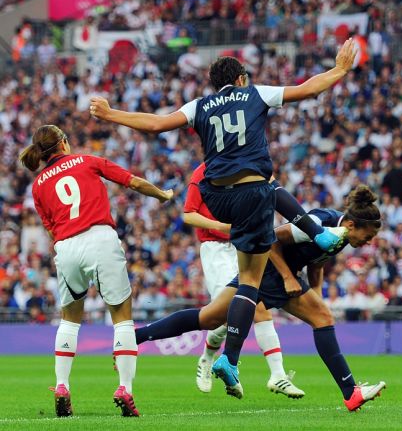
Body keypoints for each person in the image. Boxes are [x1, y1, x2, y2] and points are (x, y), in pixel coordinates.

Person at [88, 39, 358, 396]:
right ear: (242, 78)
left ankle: (184, 347)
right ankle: (315, 236)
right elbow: (307, 89)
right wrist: (339, 69)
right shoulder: (256, 94)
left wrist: (110, 114)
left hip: (217, 196)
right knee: (255, 251)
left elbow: (155, 124)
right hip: (252, 194)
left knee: (219, 307)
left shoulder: (199, 105)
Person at [135, 186, 387, 410]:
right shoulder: (321, 221)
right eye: (368, 237)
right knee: (322, 318)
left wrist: (317, 294)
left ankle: (133, 337)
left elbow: (317, 262)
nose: (367, 243)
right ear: (352, 225)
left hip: (271, 273)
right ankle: (350, 392)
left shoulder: (343, 236)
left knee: (209, 318)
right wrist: (288, 277)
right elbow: (273, 238)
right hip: (271, 271)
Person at [19, 125, 173, 417]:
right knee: (122, 317)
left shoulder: (38, 185)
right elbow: (133, 183)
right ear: (63, 142)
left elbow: (50, 228)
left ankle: (62, 385)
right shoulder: (88, 161)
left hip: (66, 246)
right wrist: (162, 195)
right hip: (100, 237)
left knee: (70, 318)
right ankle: (125, 389)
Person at [184, 162, 303, 398]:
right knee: (226, 315)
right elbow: (189, 215)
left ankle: (277, 375)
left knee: (256, 307)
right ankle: (209, 358)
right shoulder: (202, 173)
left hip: (245, 243)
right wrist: (221, 226)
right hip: (216, 248)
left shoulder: (248, 165)